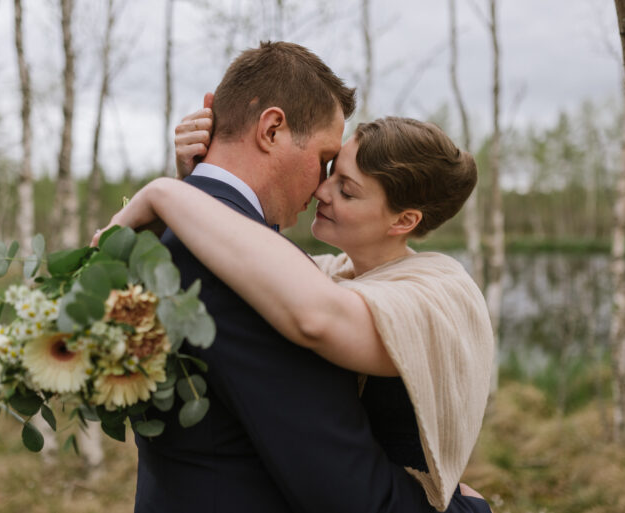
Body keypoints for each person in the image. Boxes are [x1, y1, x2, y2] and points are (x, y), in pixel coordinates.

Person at [98, 41, 493, 513]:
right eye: (327, 162)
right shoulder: (254, 266)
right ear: (272, 129)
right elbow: (346, 492)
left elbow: (317, 312)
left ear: (403, 220)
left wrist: (173, 193)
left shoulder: (429, 289)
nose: (322, 188)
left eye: (344, 186)